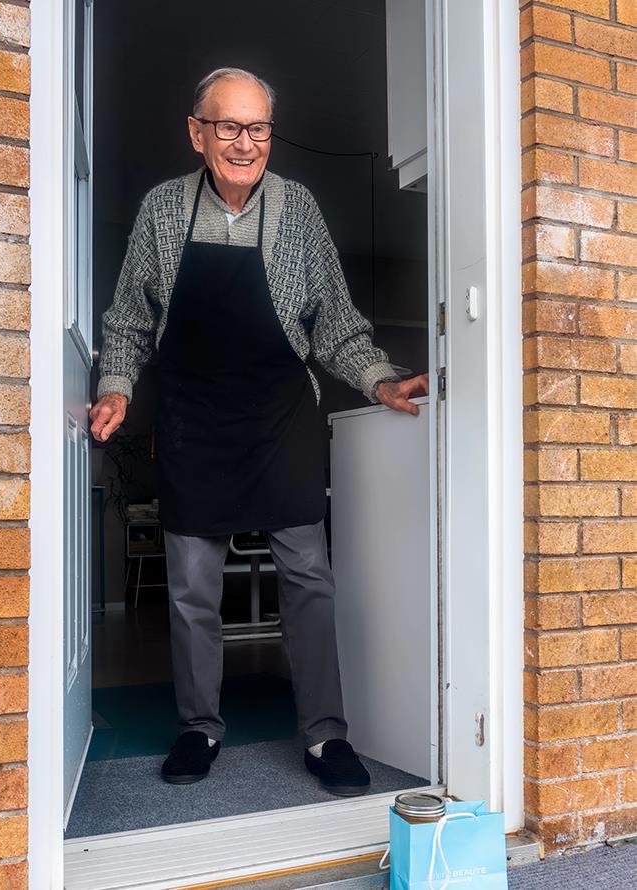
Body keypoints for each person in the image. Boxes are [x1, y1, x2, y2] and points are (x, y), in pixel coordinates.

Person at [90, 67, 429, 796]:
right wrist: (115, 387)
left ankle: (324, 736)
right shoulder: (160, 211)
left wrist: (380, 378)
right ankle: (198, 727)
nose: (245, 143)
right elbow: (127, 322)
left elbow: (334, 323)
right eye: (228, 126)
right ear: (197, 132)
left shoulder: (299, 210)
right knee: (190, 588)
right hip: (195, 420)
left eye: (259, 128)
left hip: (277, 417)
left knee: (308, 577)